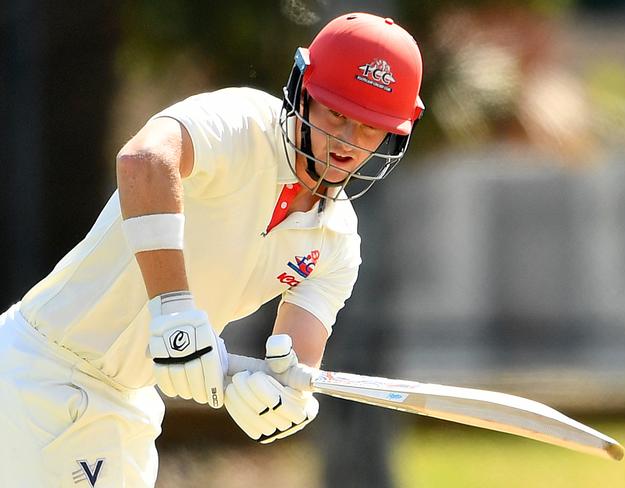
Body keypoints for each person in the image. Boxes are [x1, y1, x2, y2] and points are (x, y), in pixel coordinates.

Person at [0, 11, 424, 487]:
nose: (348, 143)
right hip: (43, 377)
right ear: (303, 90)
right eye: (337, 114)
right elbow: (142, 162)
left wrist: (283, 400)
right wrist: (174, 308)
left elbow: (294, 363)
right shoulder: (242, 123)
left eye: (369, 127)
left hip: (131, 405)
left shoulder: (338, 242)